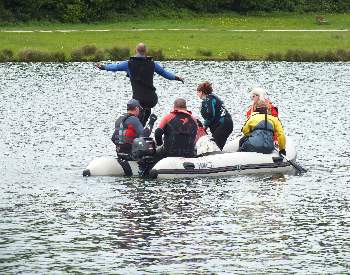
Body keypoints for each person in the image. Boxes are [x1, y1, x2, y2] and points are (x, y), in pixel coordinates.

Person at [96, 43, 184, 125]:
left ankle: (137, 134)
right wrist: (177, 78)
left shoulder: (128, 64)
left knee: (136, 119)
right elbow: (164, 73)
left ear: (136, 50)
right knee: (144, 116)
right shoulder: (152, 64)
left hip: (137, 100)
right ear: (146, 51)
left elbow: (115, 67)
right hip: (151, 100)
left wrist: (103, 67)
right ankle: (143, 128)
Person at [111, 99, 157, 175]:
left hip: (120, 154)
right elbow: (144, 135)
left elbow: (113, 138)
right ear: (136, 108)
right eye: (139, 108)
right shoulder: (134, 120)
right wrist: (151, 122)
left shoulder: (119, 120)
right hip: (130, 155)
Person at [196, 81, 233, 150]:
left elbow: (210, 114)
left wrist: (205, 125)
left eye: (197, 92)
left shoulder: (208, 99)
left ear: (201, 92)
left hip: (223, 125)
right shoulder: (213, 97)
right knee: (216, 143)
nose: (197, 94)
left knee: (216, 145)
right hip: (226, 123)